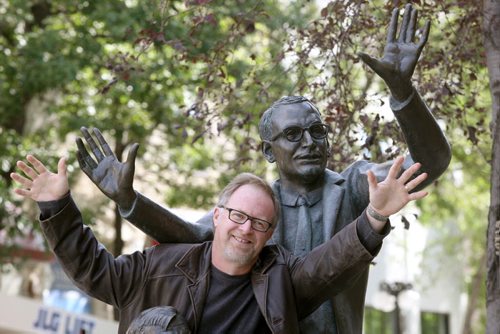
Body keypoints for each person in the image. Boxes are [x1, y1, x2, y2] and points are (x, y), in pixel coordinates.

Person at [75, 4, 451, 333]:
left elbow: (430, 162)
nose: (309, 142)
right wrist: (130, 201)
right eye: (293, 134)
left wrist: (403, 94)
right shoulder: (254, 210)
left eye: (316, 131)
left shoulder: (355, 186)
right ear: (269, 152)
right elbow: (192, 235)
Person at [11, 154, 427, 334]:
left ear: (269, 235)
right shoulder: (156, 268)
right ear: (217, 215)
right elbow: (91, 269)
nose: (246, 230)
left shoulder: (283, 279)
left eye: (260, 223)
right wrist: (58, 205)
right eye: (238, 216)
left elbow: (332, 262)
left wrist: (375, 215)